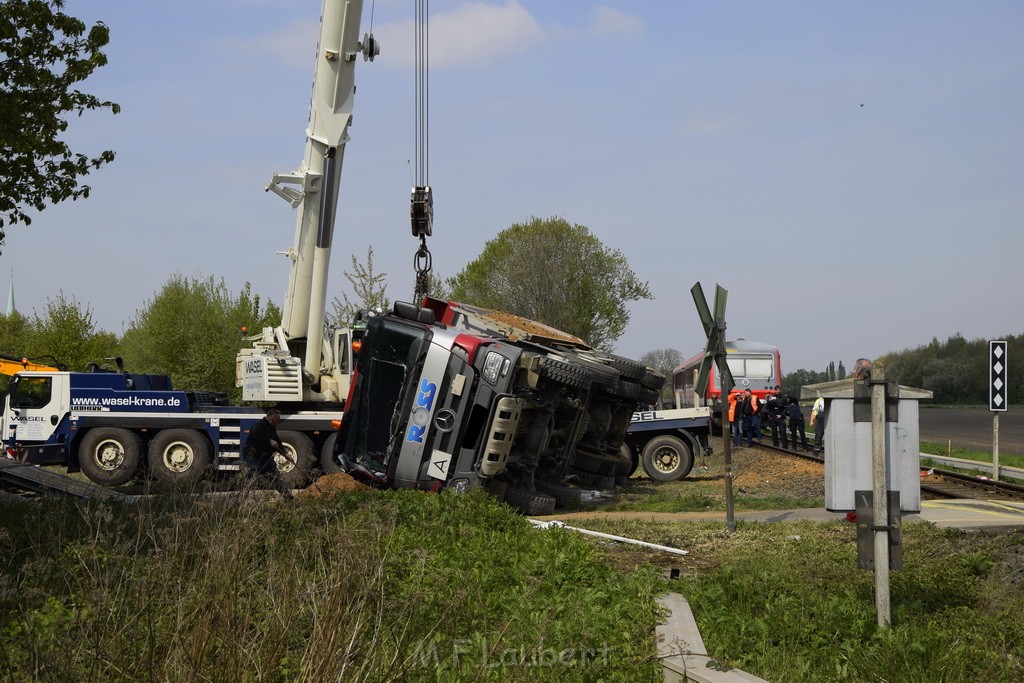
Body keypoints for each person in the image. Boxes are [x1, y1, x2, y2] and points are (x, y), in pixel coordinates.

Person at [241, 408, 295, 498]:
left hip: (265, 458)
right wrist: (269, 441)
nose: (278, 421)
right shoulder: (258, 425)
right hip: (253, 456)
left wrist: (285, 454)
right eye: (277, 419)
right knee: (252, 476)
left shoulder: (271, 428)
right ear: (272, 418)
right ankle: (242, 498)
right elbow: (256, 436)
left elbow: (276, 442)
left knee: (274, 477)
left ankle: (288, 497)